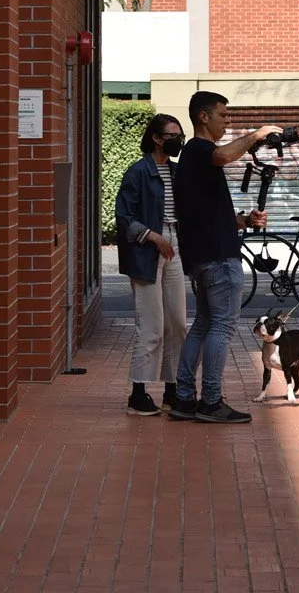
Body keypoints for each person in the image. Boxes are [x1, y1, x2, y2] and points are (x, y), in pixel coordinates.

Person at [169, 90, 277, 424]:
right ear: (203, 117)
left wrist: (243, 221)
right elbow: (225, 155)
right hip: (218, 257)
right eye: (223, 115)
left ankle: (184, 399)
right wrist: (257, 134)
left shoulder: (193, 157)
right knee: (221, 327)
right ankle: (211, 401)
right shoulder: (200, 150)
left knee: (202, 324)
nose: (226, 122)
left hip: (203, 254)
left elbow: (205, 212)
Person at [115, 113, 189, 416]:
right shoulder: (138, 172)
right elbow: (123, 217)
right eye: (172, 135)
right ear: (157, 138)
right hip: (147, 251)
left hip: (175, 246)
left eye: (179, 134)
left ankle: (173, 389)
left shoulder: (176, 171)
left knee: (178, 324)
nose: (178, 139)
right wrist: (153, 237)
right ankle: (138, 393)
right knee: (152, 327)